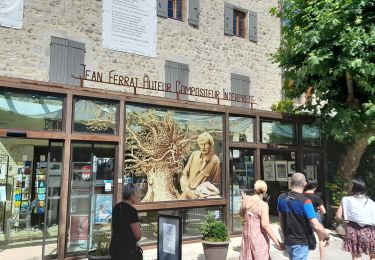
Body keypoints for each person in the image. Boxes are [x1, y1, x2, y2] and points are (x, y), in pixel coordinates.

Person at [277, 172, 330, 260]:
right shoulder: (306, 201)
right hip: (301, 240)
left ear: (290, 182)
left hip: (288, 239)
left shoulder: (281, 197)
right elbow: (315, 224)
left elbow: (281, 220)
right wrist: (326, 235)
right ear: (305, 184)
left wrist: (285, 236)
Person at [240, 180, 285, 260]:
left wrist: (243, 199)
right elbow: (265, 225)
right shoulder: (263, 205)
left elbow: (241, 214)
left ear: (254, 189)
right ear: (264, 191)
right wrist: (277, 242)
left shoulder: (246, 199)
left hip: (247, 236)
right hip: (258, 238)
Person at [336, 179, 375, 260]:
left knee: (357, 257)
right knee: (373, 255)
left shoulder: (346, 199)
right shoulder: (371, 202)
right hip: (369, 230)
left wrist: (346, 221)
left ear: (354, 188)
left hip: (353, 229)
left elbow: (338, 216)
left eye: (350, 186)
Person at [179, 132, 221, 199]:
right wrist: (187, 191)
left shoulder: (215, 160)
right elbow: (184, 175)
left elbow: (216, 184)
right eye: (201, 144)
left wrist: (204, 193)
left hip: (201, 198)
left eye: (206, 144)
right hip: (187, 194)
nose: (203, 147)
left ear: (211, 145)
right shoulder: (194, 155)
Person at [110, 183, 142, 260]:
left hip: (115, 248)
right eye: (136, 194)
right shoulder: (132, 211)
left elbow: (114, 228)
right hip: (127, 251)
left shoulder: (116, 207)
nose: (138, 196)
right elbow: (137, 235)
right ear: (131, 195)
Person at [304, 179, 327, 260]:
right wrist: (318, 210)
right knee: (322, 239)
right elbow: (323, 211)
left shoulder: (302, 196)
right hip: (315, 218)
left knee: (305, 239)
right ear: (315, 187)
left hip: (304, 218)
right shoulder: (316, 197)